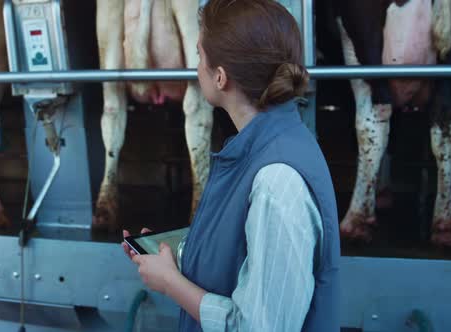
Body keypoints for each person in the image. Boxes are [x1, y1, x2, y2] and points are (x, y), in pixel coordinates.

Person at [121, 0, 341, 331]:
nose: (196, 68)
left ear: (220, 77)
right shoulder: (267, 145)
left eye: (199, 56)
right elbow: (245, 256)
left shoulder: (275, 180)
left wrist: (170, 283)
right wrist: (178, 256)